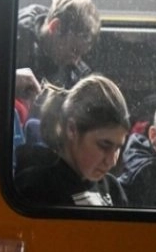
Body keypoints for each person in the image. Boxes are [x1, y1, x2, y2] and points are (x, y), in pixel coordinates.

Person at [14, 74, 130, 206]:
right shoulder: (35, 188)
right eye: (104, 145)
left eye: (118, 148)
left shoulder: (113, 189)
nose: (112, 161)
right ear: (72, 129)